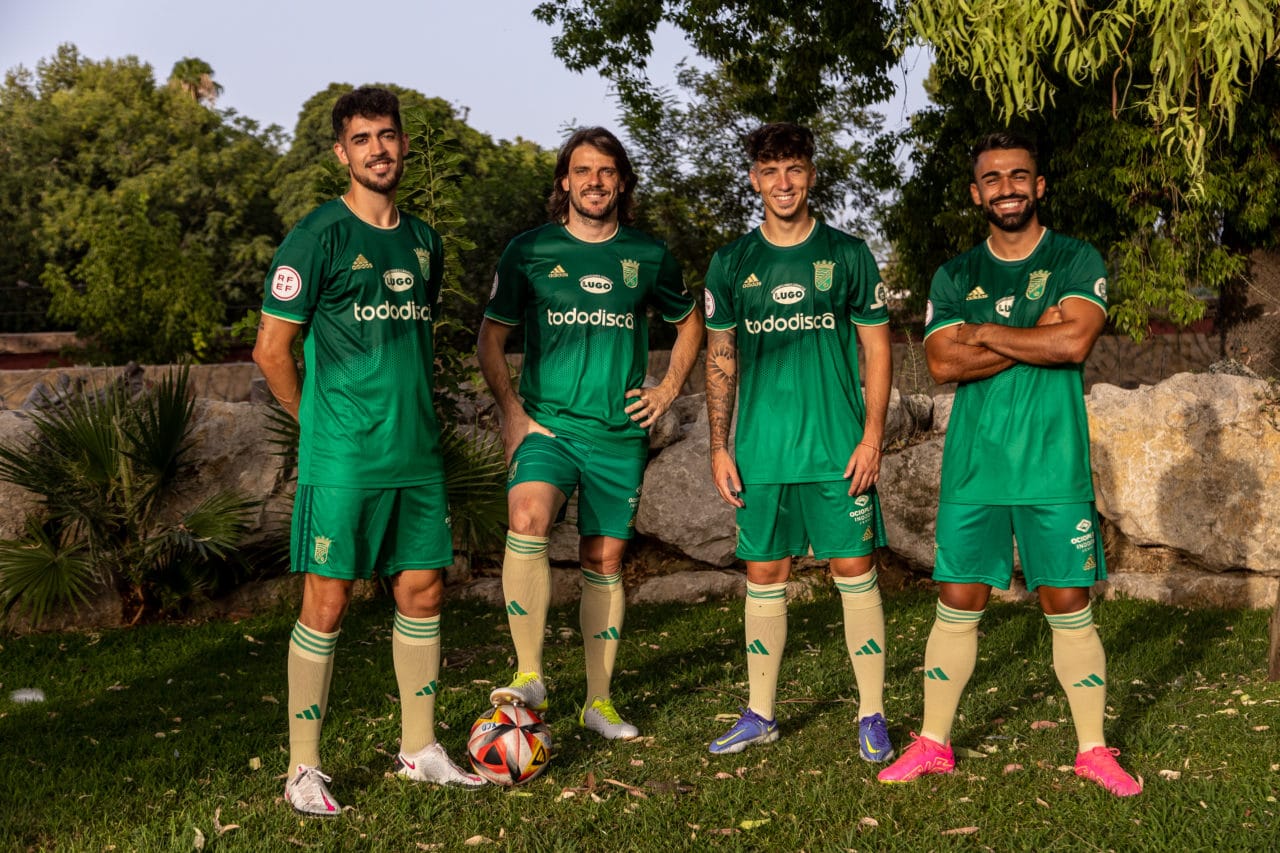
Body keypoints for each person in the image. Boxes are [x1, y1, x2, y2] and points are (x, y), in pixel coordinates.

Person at [876, 131, 1141, 796]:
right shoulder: (955, 274)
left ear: (1039, 184)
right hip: (975, 466)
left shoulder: (1076, 258)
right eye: (992, 178)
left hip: (1053, 463)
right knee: (956, 601)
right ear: (977, 193)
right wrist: (1033, 330)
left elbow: (1074, 340)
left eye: (1019, 175)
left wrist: (986, 330)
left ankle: (1091, 749)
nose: (1007, 188)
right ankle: (934, 743)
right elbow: (943, 363)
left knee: (1068, 602)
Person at [254, 86, 484, 818]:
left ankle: (420, 748)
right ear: (341, 153)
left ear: (404, 144)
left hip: (415, 453)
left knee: (422, 591)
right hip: (345, 456)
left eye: (388, 136)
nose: (378, 149)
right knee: (327, 602)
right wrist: (316, 421)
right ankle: (302, 768)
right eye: (362, 139)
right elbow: (271, 349)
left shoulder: (424, 240)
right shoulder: (315, 235)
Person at [478, 127, 703, 740]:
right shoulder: (527, 251)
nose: (594, 182)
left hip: (616, 434)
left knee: (604, 560)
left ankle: (597, 703)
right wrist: (511, 412)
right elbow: (490, 338)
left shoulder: (648, 257)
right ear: (564, 181)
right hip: (547, 425)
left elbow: (691, 322)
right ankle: (529, 675)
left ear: (621, 182)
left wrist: (667, 389)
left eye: (606, 171)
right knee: (527, 518)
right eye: (583, 171)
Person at [702, 123, 895, 761]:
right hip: (760, 449)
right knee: (764, 574)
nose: (782, 182)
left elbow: (876, 347)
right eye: (769, 170)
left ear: (811, 175)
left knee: (854, 569)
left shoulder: (848, 254)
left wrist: (872, 438)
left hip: (839, 446)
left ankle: (872, 713)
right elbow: (721, 353)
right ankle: (760, 712)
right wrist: (718, 445)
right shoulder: (732, 262)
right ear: (754, 179)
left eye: (794, 169)